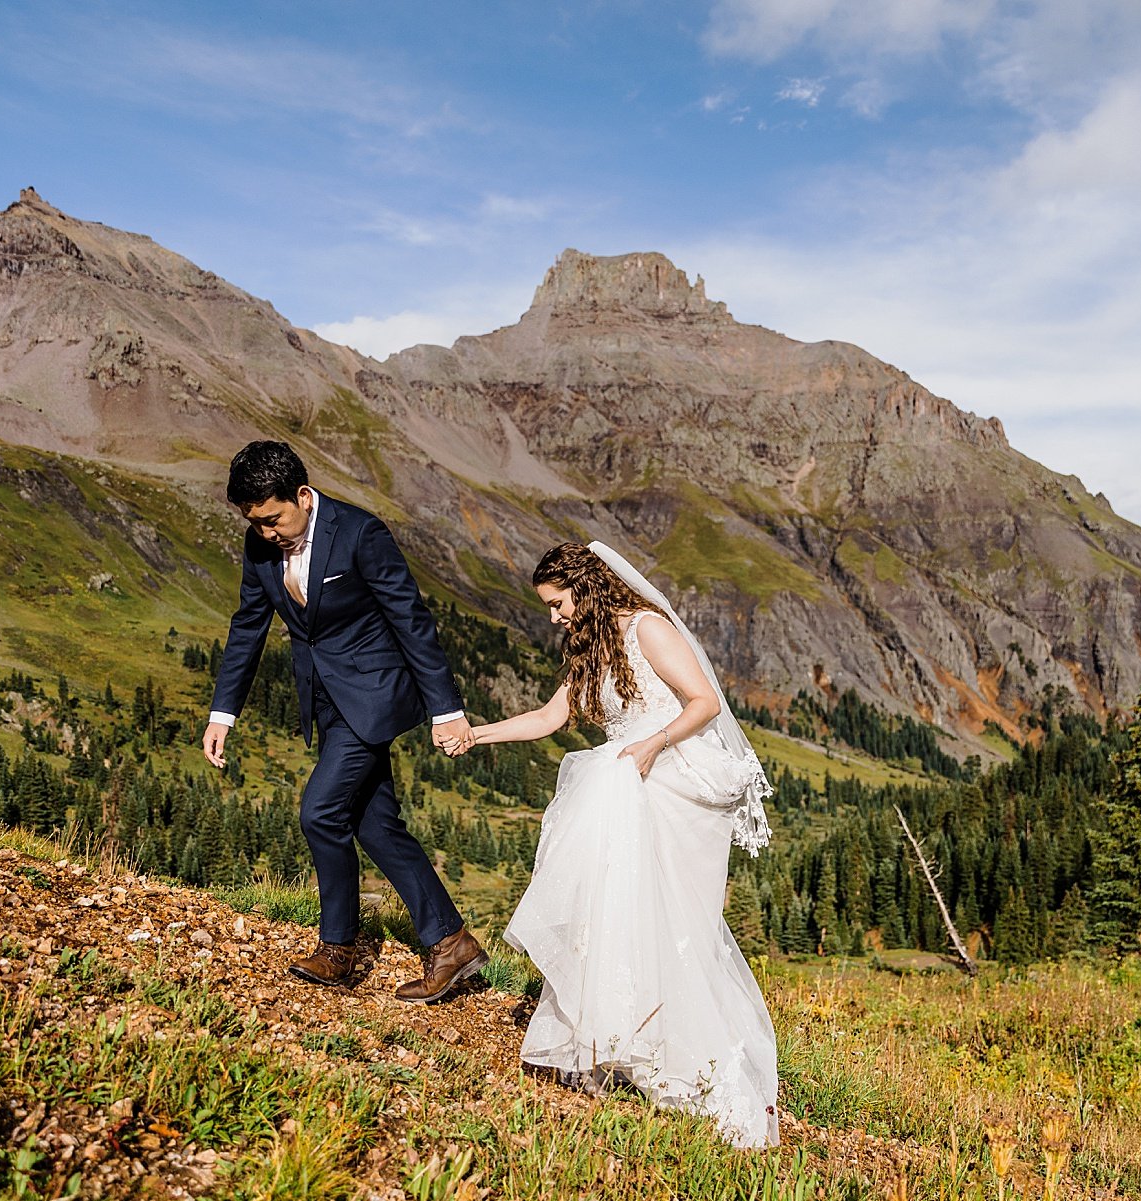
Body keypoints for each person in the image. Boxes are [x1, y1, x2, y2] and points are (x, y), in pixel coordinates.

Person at [449, 541, 779, 1147]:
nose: (552, 617)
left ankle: (687, 1057)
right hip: (620, 785)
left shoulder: (648, 629)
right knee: (608, 913)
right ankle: (606, 1044)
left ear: (586, 587)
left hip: (666, 782)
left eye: (556, 603)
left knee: (670, 921)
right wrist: (478, 734)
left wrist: (653, 745)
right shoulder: (592, 646)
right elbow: (550, 719)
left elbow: (705, 702)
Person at [202, 440, 487, 1003]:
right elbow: (248, 626)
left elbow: (411, 620)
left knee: (321, 812)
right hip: (326, 703)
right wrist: (223, 713)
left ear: (303, 496)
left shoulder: (360, 533)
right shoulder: (259, 548)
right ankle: (453, 943)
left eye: (273, 519)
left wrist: (446, 709)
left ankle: (340, 948)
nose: (265, 533)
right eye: (254, 523)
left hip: (374, 696)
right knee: (374, 825)